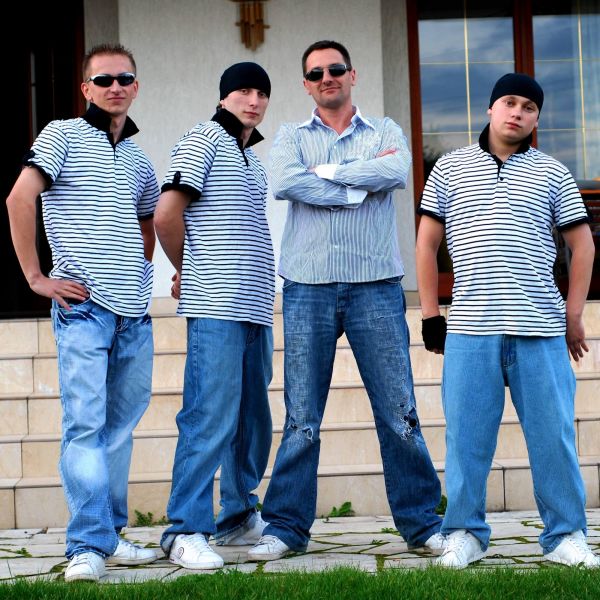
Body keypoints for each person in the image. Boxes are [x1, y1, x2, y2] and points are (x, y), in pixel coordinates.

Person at [248, 40, 444, 562]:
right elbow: (285, 182)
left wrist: (327, 174)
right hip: (307, 288)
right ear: (306, 84)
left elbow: (395, 171)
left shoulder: (385, 131)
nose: (326, 77)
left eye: (335, 69)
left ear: (352, 74)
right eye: (316, 73)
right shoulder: (290, 136)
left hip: (375, 286)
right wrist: (358, 182)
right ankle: (286, 527)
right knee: (301, 417)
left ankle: (422, 524)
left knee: (399, 412)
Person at [416, 73, 598, 569]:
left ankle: (565, 535)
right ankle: (465, 533)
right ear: (492, 108)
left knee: (553, 438)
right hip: (470, 329)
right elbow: (427, 244)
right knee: (466, 440)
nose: (518, 112)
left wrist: (573, 314)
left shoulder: (553, 172)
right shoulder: (449, 168)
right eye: (510, 102)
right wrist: (431, 315)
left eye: (529, 107)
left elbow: (582, 246)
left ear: (537, 118)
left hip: (539, 329)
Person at [6, 43, 159, 581]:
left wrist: (140, 272)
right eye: (104, 79)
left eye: (125, 78)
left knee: (120, 429)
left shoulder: (138, 157)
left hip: (134, 314)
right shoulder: (62, 135)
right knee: (86, 427)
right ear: (86, 88)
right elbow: (19, 199)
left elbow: (148, 219)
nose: (115, 87)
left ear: (135, 86)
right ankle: (86, 546)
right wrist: (35, 278)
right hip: (83, 309)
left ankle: (110, 535)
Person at [154, 62, 275, 570]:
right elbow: (166, 214)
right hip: (216, 305)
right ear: (224, 97)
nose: (253, 100)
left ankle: (238, 515)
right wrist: (188, 269)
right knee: (208, 416)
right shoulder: (202, 139)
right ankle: (185, 529)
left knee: (251, 420)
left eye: (261, 93)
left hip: (256, 306)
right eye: (243, 91)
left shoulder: (254, 160)